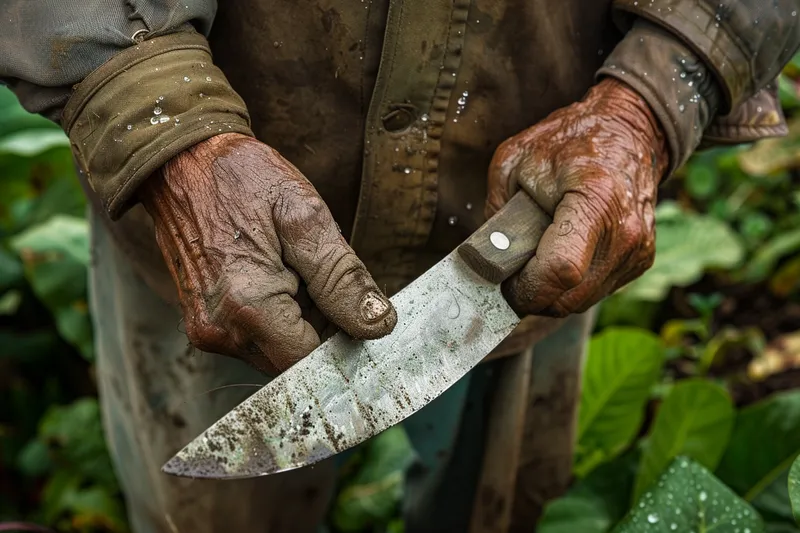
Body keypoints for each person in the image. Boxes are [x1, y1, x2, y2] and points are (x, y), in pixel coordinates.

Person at [2, 1, 798, 532]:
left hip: (537, 219)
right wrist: (154, 116)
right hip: (212, 235)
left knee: (494, 503)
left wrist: (653, 95)